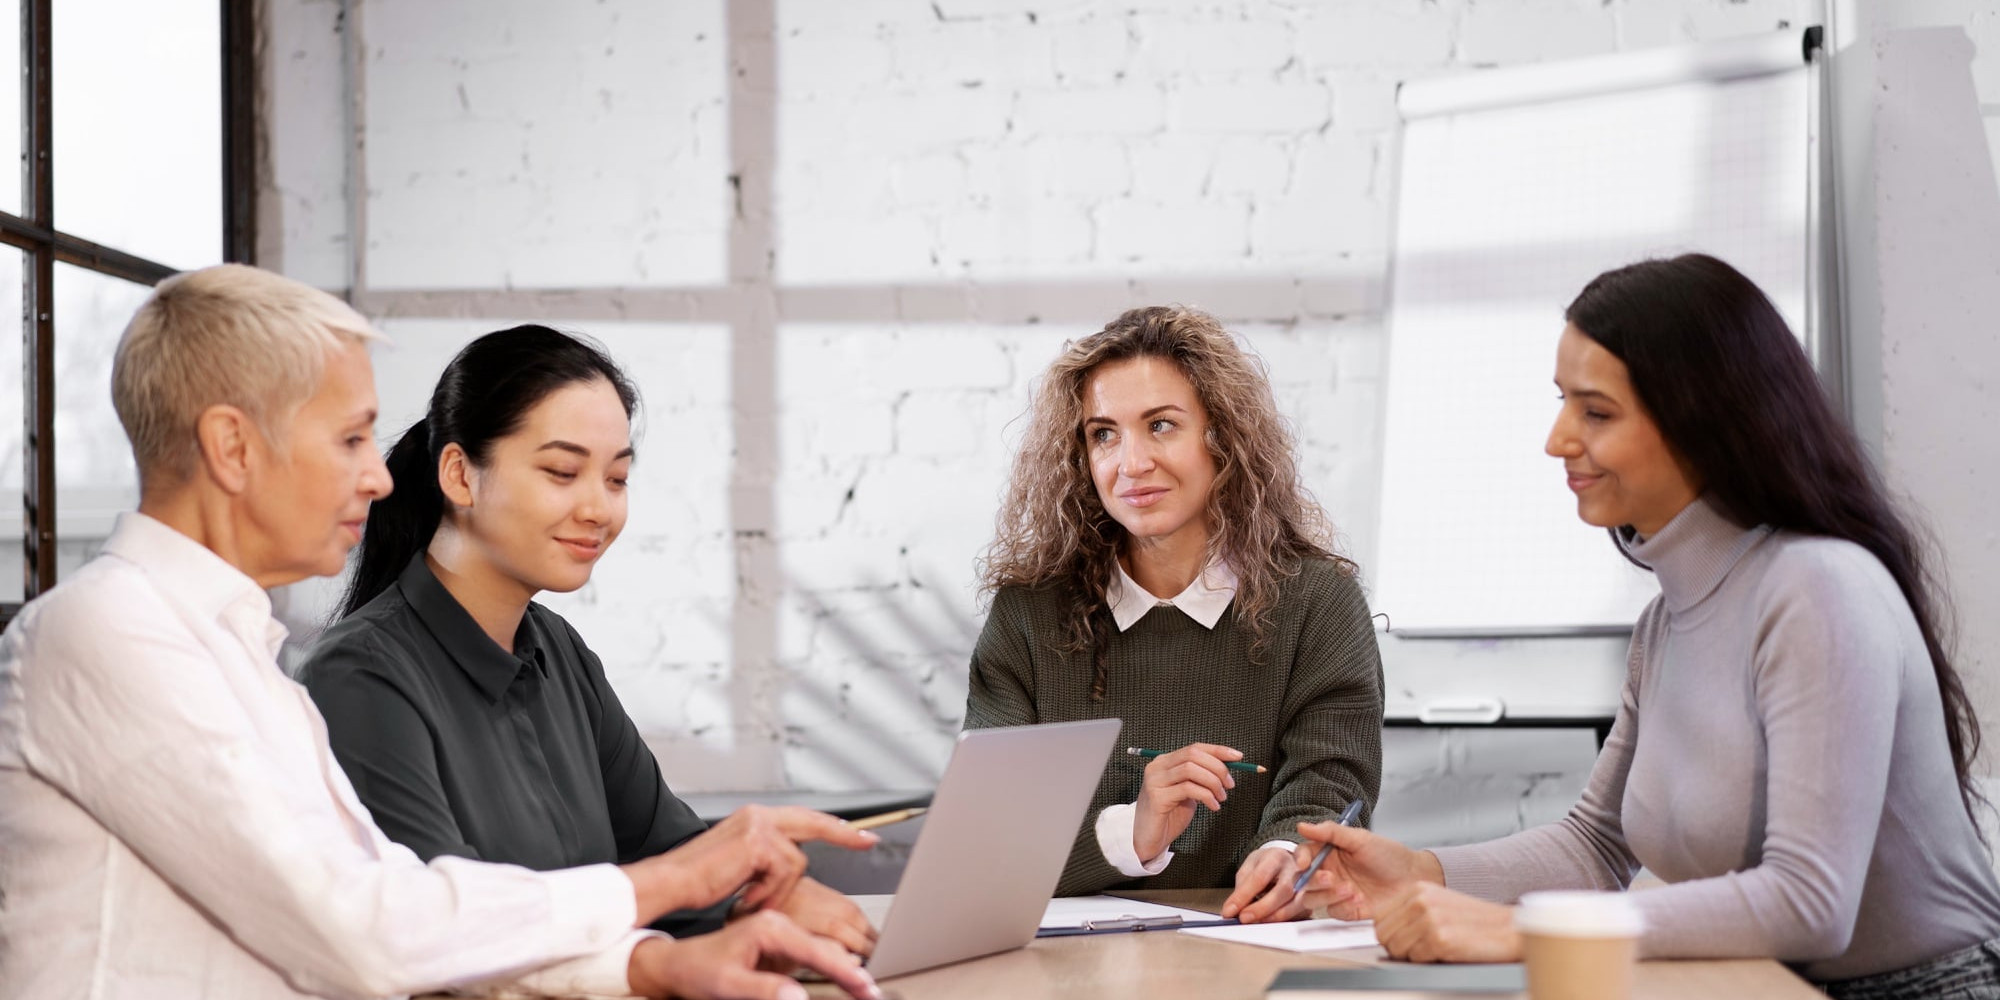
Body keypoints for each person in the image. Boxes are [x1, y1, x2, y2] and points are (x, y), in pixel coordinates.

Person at [0, 264, 884, 1000]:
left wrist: (654, 962)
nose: (379, 479)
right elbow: (364, 931)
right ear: (234, 449)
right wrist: (672, 885)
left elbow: (417, 914)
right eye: (349, 441)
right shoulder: (104, 632)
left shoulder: (244, 657)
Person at [1296, 254, 2000, 997]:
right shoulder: (1667, 621)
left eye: (1595, 411)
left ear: (1704, 421)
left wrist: (1518, 931)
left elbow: (1810, 901)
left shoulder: (1819, 589)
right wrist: (1418, 870)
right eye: (1563, 401)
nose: (1558, 438)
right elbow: (1596, 846)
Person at [297, 324, 874, 957]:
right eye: (563, 471)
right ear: (460, 476)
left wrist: (768, 896)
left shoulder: (558, 652)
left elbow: (673, 851)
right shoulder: (360, 676)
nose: (599, 508)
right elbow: (443, 935)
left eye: (617, 479)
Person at [964, 305, 1384, 924]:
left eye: (1160, 425)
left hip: (1250, 953)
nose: (1130, 464)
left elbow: (1330, 782)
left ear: (1224, 440)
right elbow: (992, 837)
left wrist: (1285, 854)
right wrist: (1136, 829)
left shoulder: (1319, 601)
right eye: (1103, 433)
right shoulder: (1029, 614)